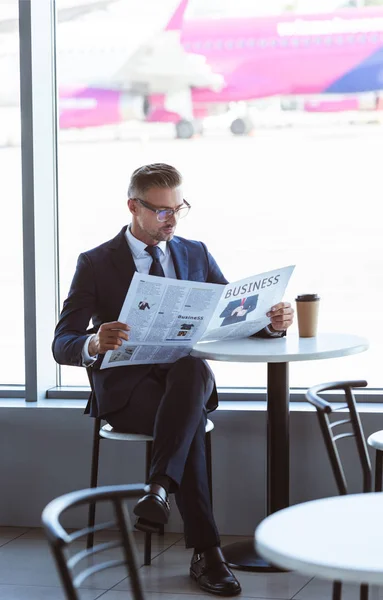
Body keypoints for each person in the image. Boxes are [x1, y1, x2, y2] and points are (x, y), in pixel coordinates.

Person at [52, 163, 294, 596]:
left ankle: (160, 491)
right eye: (162, 210)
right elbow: (62, 341)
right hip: (128, 395)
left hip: (184, 384)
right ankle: (206, 552)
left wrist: (272, 322)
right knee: (189, 428)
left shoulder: (195, 253)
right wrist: (94, 341)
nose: (172, 219)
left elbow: (231, 315)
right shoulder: (95, 263)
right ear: (134, 206)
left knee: (192, 371)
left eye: (179, 208)